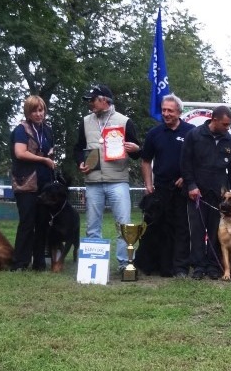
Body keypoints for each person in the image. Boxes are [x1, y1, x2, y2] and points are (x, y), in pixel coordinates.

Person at [73, 84, 142, 272]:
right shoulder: (85, 121)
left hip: (118, 180)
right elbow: (78, 148)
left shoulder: (125, 121)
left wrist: (136, 149)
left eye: (93, 100)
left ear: (105, 100)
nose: (90, 104)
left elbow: (136, 151)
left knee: (123, 225)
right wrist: (80, 161)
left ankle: (124, 264)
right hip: (93, 181)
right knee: (92, 226)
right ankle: (95, 265)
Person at [180, 106, 231, 280]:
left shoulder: (230, 140)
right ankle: (199, 266)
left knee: (216, 230)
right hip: (197, 192)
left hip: (220, 195)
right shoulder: (194, 135)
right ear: (214, 120)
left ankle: (214, 266)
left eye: (229, 125)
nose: (227, 128)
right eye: (225, 124)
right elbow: (185, 163)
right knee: (197, 231)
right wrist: (191, 185)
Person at [141, 95, 195, 278]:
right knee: (159, 227)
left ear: (179, 112)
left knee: (181, 228)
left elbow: (198, 160)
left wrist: (186, 177)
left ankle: (180, 267)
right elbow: (146, 161)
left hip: (183, 188)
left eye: (170, 110)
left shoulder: (191, 132)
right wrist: (148, 184)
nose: (166, 113)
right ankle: (157, 265)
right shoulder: (154, 134)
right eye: (164, 110)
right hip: (160, 189)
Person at [9, 95, 55, 271]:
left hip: (45, 183)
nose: (38, 114)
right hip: (26, 182)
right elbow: (20, 153)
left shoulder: (48, 130)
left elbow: (49, 152)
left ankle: (39, 262)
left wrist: (50, 162)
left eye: (41, 110)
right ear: (28, 112)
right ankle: (20, 262)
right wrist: (43, 160)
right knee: (27, 222)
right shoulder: (21, 130)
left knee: (42, 222)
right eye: (34, 111)